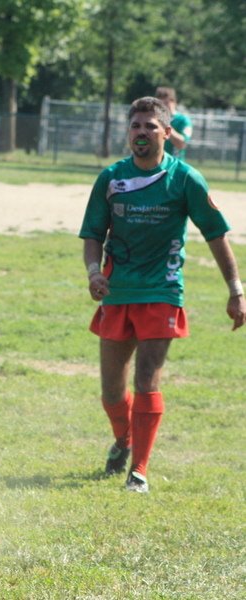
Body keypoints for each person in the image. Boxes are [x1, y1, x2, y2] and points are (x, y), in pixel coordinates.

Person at [80, 96, 245, 494]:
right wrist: (92, 272)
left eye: (151, 126)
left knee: (146, 381)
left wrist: (236, 290)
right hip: (117, 292)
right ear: (128, 132)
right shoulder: (111, 178)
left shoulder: (185, 178)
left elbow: (215, 235)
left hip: (162, 291)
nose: (142, 132)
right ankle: (123, 440)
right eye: (136, 126)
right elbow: (92, 234)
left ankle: (138, 470)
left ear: (167, 133)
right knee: (111, 392)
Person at [155, 87, 193, 162]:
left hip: (174, 165)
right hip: (156, 164)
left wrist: (165, 124)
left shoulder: (183, 120)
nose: (163, 107)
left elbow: (182, 144)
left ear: (174, 102)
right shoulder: (154, 119)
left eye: (165, 103)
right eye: (160, 104)